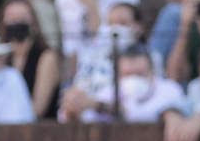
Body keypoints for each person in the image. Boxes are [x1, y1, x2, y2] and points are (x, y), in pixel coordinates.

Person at [59, 44, 187, 121]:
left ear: (152, 73)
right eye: (127, 75)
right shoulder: (108, 92)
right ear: (118, 76)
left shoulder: (169, 90)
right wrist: (73, 109)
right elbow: (88, 120)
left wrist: (101, 106)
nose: (133, 79)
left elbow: (140, 118)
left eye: (139, 74)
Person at [1, 0, 61, 119]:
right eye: (12, 19)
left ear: (33, 22)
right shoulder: (2, 58)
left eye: (22, 18)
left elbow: (38, 108)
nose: (17, 22)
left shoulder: (46, 57)